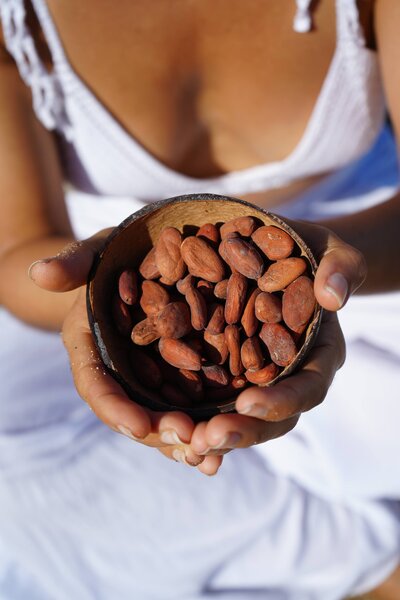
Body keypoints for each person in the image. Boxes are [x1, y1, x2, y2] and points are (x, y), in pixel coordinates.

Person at [0, 0, 399, 598]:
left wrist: (332, 266)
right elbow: (19, 253)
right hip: (99, 256)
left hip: (369, 260)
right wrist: (86, 299)